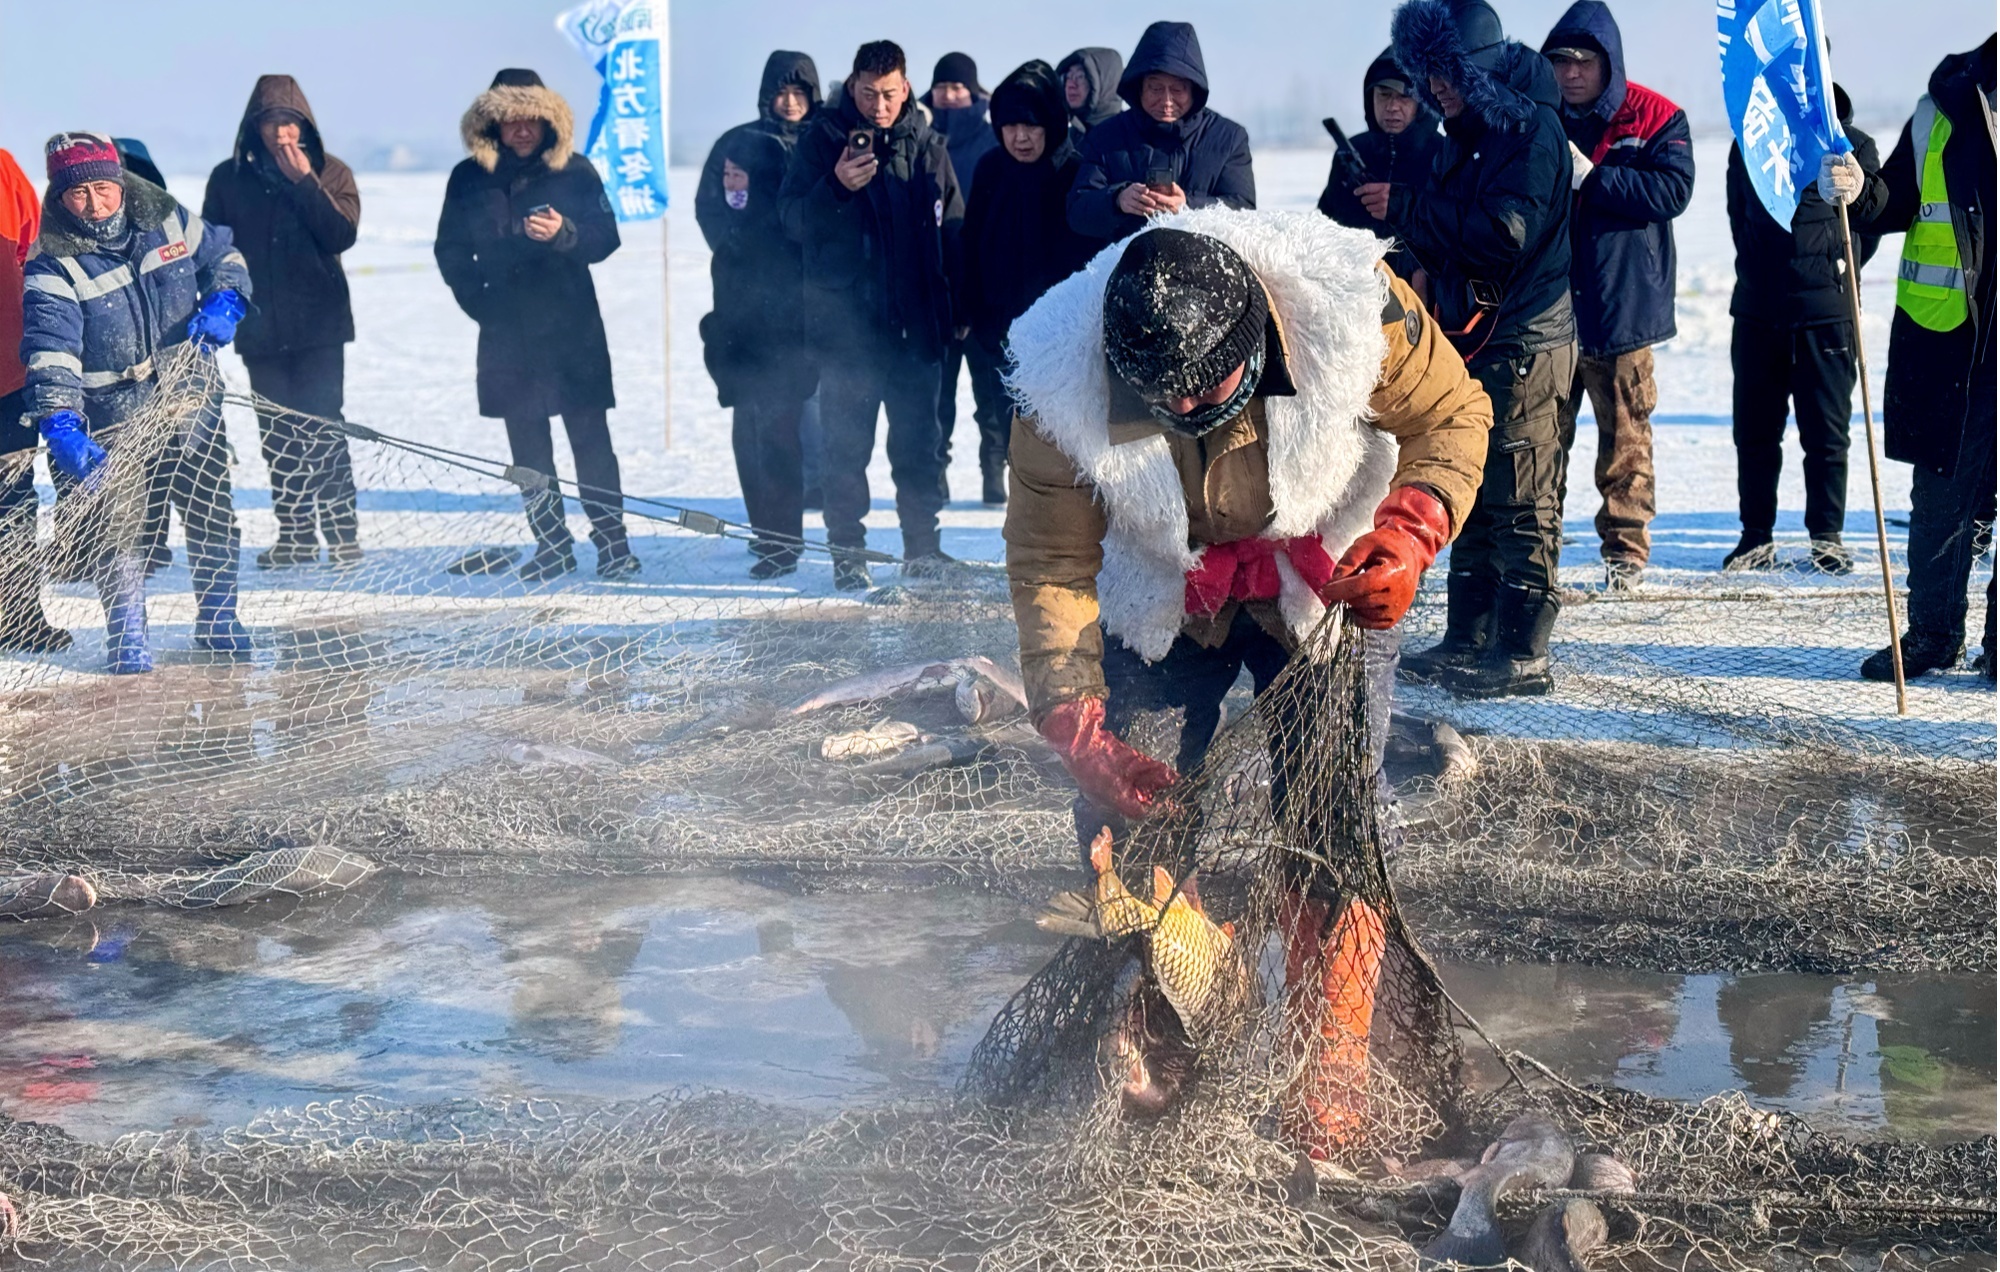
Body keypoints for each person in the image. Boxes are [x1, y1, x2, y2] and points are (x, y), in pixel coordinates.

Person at [1003, 212, 1491, 1153]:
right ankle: (1167, 1034)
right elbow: (1049, 557)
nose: (1190, 412)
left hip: (1334, 571)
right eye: (1166, 403)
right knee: (1128, 819)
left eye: (1212, 391)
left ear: (1259, 334)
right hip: (1166, 585)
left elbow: (1455, 415)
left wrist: (1414, 528)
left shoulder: (1349, 304)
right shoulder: (1059, 376)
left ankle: (1333, 1060)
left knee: (1330, 823)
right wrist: (1072, 714)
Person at [1385, 0, 1579, 699]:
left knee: (1523, 490)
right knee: (1472, 478)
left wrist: (1414, 210)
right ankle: (1467, 635)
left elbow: (1505, 235)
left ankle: (1523, 649)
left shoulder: (1532, 131)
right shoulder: (1458, 136)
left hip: (1527, 337)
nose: (1434, 87)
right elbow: (1439, 234)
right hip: (1468, 336)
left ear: (1479, 67)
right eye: (1426, 73)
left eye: (1446, 72)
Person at [20, 132, 254, 674]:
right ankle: (127, 636)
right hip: (113, 417)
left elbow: (226, 255)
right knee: (119, 525)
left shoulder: (165, 217)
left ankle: (219, 618)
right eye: (78, 194)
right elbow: (51, 346)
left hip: (189, 396)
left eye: (104, 188)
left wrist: (226, 298)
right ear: (59, 196)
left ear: (121, 183)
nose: (95, 204)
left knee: (210, 507)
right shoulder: (51, 261)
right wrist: (61, 421)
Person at [1821, 35, 1995, 680]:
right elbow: (1892, 202)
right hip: (1953, 338)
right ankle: (1932, 635)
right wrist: (1857, 188)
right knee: (1943, 501)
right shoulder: (1943, 107)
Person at [436, 69, 637, 581]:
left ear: (548, 120)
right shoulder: (467, 178)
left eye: (531, 118)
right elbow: (451, 251)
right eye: (510, 119)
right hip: (506, 334)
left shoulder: (576, 171)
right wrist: (480, 303)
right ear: (492, 123)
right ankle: (552, 544)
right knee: (528, 449)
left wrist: (564, 233)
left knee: (592, 441)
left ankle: (613, 544)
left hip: (573, 331)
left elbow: (606, 237)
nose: (521, 129)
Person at [779, 40, 964, 590]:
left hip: (915, 332)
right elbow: (790, 220)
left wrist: (955, 310)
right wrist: (835, 186)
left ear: (906, 87)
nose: (878, 105)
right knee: (845, 451)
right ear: (852, 85)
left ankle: (922, 547)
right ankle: (847, 552)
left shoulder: (928, 145)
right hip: (847, 335)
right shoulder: (821, 141)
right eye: (867, 93)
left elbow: (954, 230)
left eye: (888, 94)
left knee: (918, 448)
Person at [1541, 2, 1694, 592]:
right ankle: (1539, 549)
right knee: (1543, 440)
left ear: (1610, 64)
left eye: (1585, 61)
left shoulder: (1655, 116)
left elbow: (1673, 191)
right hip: (1553, 311)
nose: (1573, 73)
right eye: (1562, 61)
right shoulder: (1541, 117)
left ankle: (1625, 554)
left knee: (1626, 440)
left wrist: (1596, 177)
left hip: (1623, 308)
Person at [203, 75, 364, 570]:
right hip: (261, 327)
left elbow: (341, 234)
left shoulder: (330, 172)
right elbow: (214, 246)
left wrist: (305, 184)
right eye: (272, 121)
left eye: (290, 121)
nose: (281, 132)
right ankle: (295, 536)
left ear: (305, 125)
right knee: (277, 435)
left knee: (324, 428)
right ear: (256, 127)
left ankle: (342, 535)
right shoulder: (228, 178)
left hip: (319, 325)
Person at [1721, 82, 1881, 577]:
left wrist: (1832, 272)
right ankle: (1756, 537)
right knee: (1754, 432)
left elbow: (1874, 216)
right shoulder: (1748, 143)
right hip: (1757, 311)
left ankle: (1827, 538)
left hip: (1827, 315)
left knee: (1827, 433)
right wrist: (1762, 271)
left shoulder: (1851, 146)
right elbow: (1737, 216)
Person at [696, 52, 822, 578]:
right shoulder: (738, 142)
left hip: (807, 308)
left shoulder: (824, 141)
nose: (790, 103)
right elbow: (710, 210)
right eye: (782, 93)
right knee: (753, 427)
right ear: (766, 94)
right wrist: (739, 240)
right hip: (744, 311)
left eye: (799, 93)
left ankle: (793, 537)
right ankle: (771, 537)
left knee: (791, 428)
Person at [959, 60, 1097, 504]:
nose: (1020, 138)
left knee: (1063, 452)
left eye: (1032, 127)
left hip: (1063, 346)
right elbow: (970, 244)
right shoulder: (989, 169)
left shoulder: (1076, 172)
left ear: (1052, 124)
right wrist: (974, 314)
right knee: (1007, 435)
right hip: (997, 335)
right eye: (1010, 126)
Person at [1067, 21, 1255, 244]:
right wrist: (1117, 200)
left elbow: (1244, 212)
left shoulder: (1228, 138)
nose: (1166, 101)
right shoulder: (1106, 137)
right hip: (1122, 267)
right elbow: (1078, 211)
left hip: (1201, 268)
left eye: (1178, 89)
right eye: (1155, 88)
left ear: (1195, 89)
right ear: (1139, 87)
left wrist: (1188, 207)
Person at [0, 147, 67, 652]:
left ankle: (20, 615)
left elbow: (36, 252)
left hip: (7, 370)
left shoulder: (3, 167)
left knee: (15, 497)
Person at [923, 53, 999, 499]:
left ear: (974, 93)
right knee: (938, 395)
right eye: (942, 88)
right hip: (935, 283)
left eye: (958, 88)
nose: (949, 96)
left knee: (990, 393)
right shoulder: (921, 138)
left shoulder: (993, 140)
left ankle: (994, 474)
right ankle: (936, 476)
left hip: (985, 283)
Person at [1316, 49, 1442, 280]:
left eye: (1404, 96)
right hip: (1352, 286)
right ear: (1369, 99)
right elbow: (1323, 225)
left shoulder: (1443, 156)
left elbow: (1455, 233)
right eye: (1383, 95)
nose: (1392, 106)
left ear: (1422, 102)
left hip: (1422, 299)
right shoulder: (1349, 153)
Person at [1056, 48, 1126, 143]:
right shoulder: (1065, 141)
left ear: (1105, 82)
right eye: (1068, 77)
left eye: (1080, 76)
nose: (1070, 85)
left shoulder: (1132, 140)